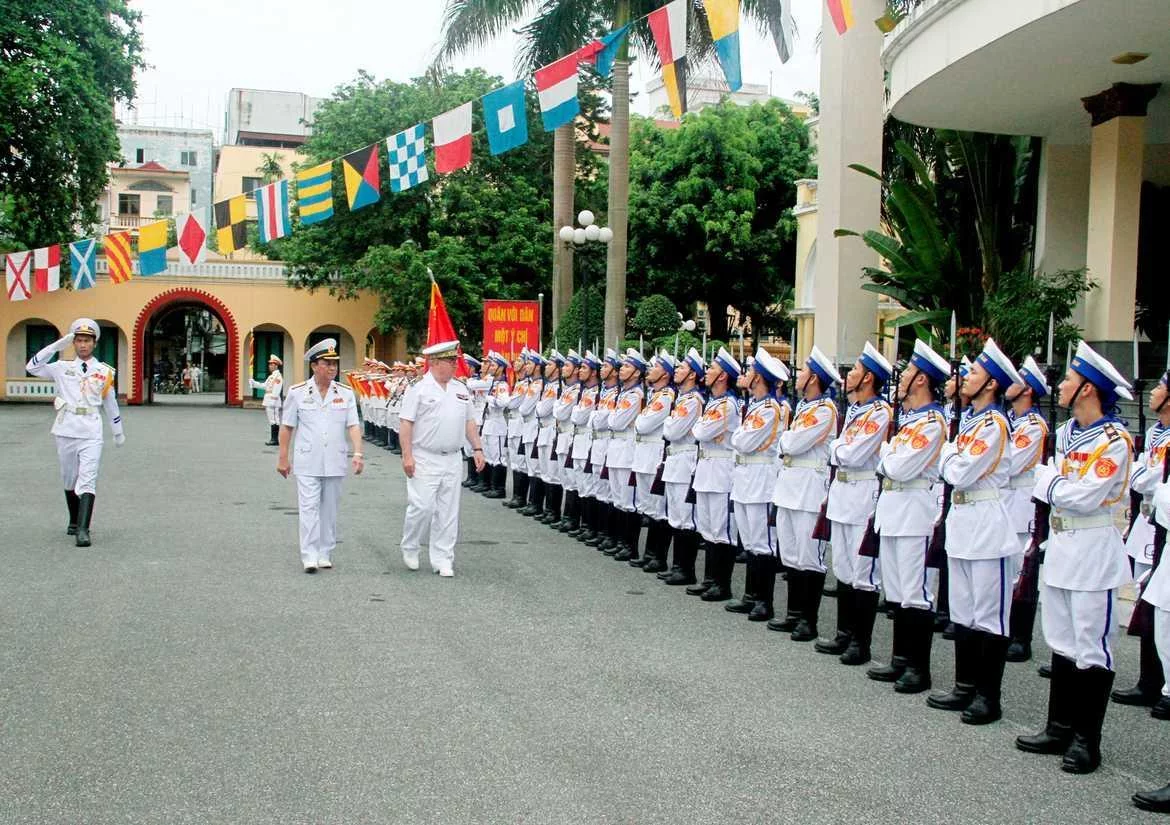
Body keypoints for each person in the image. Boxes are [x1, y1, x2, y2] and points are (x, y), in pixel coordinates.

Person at [1016, 341, 1134, 774]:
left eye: (1068, 379)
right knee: (1062, 641)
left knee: (1091, 646)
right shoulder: (1066, 434)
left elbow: (1085, 496)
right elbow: (1057, 484)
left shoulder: (1114, 439)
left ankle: (1088, 740)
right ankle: (1058, 727)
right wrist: (1055, 485)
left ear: (1088, 389)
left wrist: (1050, 485)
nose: (1061, 385)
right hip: (1062, 546)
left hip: (1092, 550)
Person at [926, 338, 1021, 725]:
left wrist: (949, 455)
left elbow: (959, 471)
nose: (966, 376)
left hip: (986, 520)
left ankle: (988, 695)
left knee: (989, 614)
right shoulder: (969, 422)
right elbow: (946, 468)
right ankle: (965, 686)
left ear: (992, 385)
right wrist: (951, 457)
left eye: (975, 373)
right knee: (963, 609)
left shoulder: (995, 423)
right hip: (963, 520)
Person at [867, 340, 949, 694]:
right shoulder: (912, 420)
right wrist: (889, 459)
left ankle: (919, 666)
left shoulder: (932, 422)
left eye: (909, 372)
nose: (901, 378)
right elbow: (891, 464)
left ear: (921, 380)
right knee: (897, 588)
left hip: (915, 510)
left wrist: (887, 457)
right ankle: (901, 659)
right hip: (894, 508)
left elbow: (898, 466)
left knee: (915, 591)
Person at [816, 342, 892, 665]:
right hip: (844, 493)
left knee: (862, 572)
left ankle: (861, 642)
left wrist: (839, 450)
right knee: (843, 566)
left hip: (863, 493)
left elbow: (852, 453)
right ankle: (844, 633)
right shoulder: (857, 411)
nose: (850, 374)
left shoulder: (880, 413)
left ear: (869, 378)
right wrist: (840, 450)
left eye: (858, 370)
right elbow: (838, 451)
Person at [26, 318, 126, 547]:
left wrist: (117, 430)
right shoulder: (61, 368)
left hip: (91, 428)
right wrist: (56, 346)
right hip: (66, 427)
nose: (83, 345)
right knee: (69, 478)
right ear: (73, 343)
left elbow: (110, 403)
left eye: (87, 341)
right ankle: (73, 520)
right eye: (79, 340)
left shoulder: (104, 371)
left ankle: (83, 529)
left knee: (88, 478)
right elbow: (32, 367)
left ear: (94, 343)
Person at [398, 340, 487, 577]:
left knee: (448, 511)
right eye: (451, 361)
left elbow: (469, 421)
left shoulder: (460, 388)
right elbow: (406, 423)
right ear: (435, 363)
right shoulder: (419, 388)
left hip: (452, 458)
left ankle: (443, 558)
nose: (455, 365)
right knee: (422, 507)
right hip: (424, 456)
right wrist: (407, 456)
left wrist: (477, 448)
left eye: (455, 360)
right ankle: (411, 545)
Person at [769, 345, 840, 642]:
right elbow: (785, 442)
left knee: (809, 556)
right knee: (792, 553)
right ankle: (794, 614)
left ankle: (808, 621)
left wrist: (787, 441)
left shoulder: (825, 410)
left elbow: (791, 444)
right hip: (790, 486)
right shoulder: (805, 408)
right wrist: (787, 441)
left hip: (810, 489)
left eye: (804, 371)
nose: (798, 375)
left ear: (814, 379)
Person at [277, 338, 363, 573]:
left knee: (330, 509)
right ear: (314, 366)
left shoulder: (344, 394)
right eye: (327, 363)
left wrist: (358, 452)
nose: (333, 368)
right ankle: (309, 554)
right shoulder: (297, 393)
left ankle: (325, 551)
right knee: (308, 508)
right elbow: (287, 427)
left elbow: (353, 425)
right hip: (307, 460)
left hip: (335, 459)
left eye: (335, 364)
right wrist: (283, 457)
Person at [1113, 367, 1170, 709]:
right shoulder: (1155, 433)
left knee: (1161, 605)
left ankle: (1162, 682)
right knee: (1147, 604)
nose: (1151, 392)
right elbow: (1140, 478)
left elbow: (1151, 480)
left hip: (1163, 522)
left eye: (1160, 387)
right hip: (1148, 523)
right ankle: (1149, 679)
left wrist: (1145, 477)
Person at [725, 348, 789, 621]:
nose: (746, 375)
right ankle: (751, 596)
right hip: (746, 476)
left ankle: (764, 601)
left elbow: (743, 441)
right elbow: (738, 439)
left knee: (762, 541)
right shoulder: (755, 406)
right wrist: (739, 438)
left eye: (751, 372)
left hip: (761, 478)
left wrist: (739, 438)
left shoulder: (769, 408)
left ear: (759, 378)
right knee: (750, 539)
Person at [1003, 356, 1051, 663]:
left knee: (1023, 572)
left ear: (1028, 390)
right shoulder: (1010, 420)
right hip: (1005, 501)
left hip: (1021, 503)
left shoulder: (1034, 426)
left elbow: (1012, 464)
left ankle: (1021, 636)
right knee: (1009, 571)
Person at [689, 348, 742, 601]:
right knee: (708, 527)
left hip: (721, 471)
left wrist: (702, 429)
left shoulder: (728, 405)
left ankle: (722, 584)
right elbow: (699, 429)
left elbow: (699, 432)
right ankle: (710, 579)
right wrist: (702, 429)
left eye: (711, 369)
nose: (707, 372)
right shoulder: (713, 402)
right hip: (707, 468)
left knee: (722, 529)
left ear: (722, 377)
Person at [660, 348, 706, 585]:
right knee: (676, 515)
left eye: (682, 368)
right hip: (675, 459)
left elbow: (672, 430)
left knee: (685, 517)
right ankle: (678, 565)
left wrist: (669, 422)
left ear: (692, 375)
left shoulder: (692, 401)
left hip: (685, 459)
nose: (676, 370)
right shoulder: (682, 399)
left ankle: (686, 569)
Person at [631, 351, 678, 571]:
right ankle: (649, 553)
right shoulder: (655, 395)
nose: (651, 369)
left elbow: (642, 424)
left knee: (658, 508)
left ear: (666, 374)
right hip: (644, 453)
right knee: (648, 506)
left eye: (657, 366)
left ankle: (657, 556)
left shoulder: (667, 396)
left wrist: (640, 420)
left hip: (654, 454)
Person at [606, 349, 648, 561]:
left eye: (627, 367)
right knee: (617, 498)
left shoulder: (636, 395)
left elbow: (615, 422)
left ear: (637, 373)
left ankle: (629, 545)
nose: (622, 369)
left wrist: (611, 418)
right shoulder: (624, 393)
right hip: (616, 450)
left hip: (627, 451)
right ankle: (619, 540)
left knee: (628, 500)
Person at [481, 352, 512, 499]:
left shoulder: (502, 385)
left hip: (498, 423)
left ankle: (499, 488)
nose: (491, 367)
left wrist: (490, 399)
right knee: (490, 454)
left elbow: (503, 402)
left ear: (501, 368)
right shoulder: (493, 382)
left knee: (499, 456)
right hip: (489, 422)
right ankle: (491, 485)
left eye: (493, 365)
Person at [248, 354, 284, 445]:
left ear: (276, 366)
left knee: (275, 420)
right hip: (269, 400)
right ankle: (273, 439)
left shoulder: (278, 377)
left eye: (271, 364)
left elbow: (277, 390)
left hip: (273, 401)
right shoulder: (271, 377)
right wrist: (254, 383)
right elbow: (265, 386)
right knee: (272, 420)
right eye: (269, 364)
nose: (269, 366)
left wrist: (272, 400)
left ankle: (275, 439)